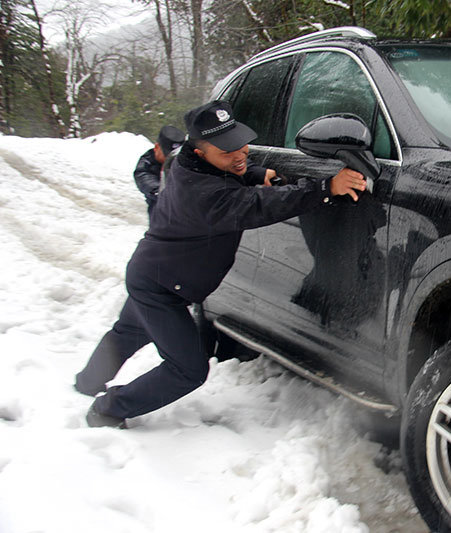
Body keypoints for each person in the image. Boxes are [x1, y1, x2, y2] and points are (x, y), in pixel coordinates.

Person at [74, 100, 366, 428]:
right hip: (160, 289)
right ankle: (108, 409)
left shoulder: (191, 163)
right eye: (228, 152)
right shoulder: (202, 195)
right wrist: (326, 187)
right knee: (188, 369)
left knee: (127, 331)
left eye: (240, 145)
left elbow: (234, 171)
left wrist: (256, 170)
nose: (240, 154)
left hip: (153, 272)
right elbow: (259, 205)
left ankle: (86, 383)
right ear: (200, 152)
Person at [133, 125, 185, 216]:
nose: (172, 159)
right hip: (161, 218)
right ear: (157, 147)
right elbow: (151, 186)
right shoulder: (146, 165)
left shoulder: (186, 160)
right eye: (168, 155)